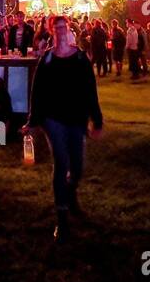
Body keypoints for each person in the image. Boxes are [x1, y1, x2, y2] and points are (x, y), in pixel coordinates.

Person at [24, 15, 103, 242]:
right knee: (61, 162)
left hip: (76, 118)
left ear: (69, 30)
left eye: (63, 27)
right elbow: (37, 91)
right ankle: (62, 218)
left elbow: (90, 90)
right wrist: (33, 120)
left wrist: (96, 119)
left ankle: (71, 192)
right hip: (53, 119)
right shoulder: (47, 59)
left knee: (77, 165)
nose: (60, 31)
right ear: (51, 31)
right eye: (56, 28)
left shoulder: (80, 59)